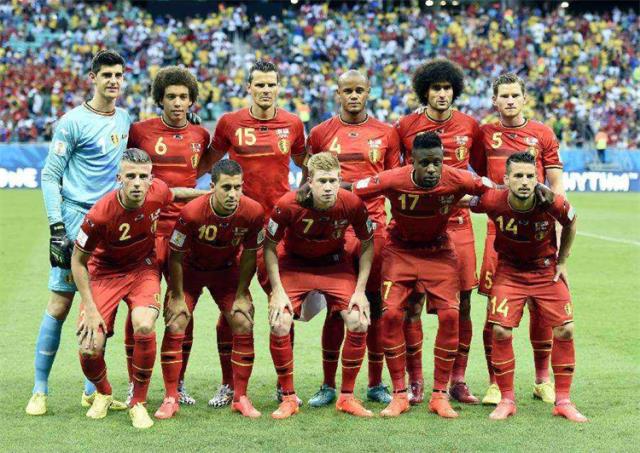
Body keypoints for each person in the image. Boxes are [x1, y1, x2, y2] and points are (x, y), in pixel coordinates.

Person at [351, 132, 493, 418]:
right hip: (400, 251)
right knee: (392, 315)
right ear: (412, 162)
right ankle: (400, 394)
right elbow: (352, 190)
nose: (431, 169)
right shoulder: (393, 178)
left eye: (437, 162)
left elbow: (493, 190)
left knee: (451, 316)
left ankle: (440, 395)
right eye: (425, 163)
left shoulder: (457, 178)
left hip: (439, 252)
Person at [26, 50, 132, 416]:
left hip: (109, 224)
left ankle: (94, 391)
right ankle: (40, 390)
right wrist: (57, 228)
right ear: (93, 78)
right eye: (107, 75)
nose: (113, 81)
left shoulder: (124, 118)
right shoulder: (71, 122)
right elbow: (50, 175)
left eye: (118, 75)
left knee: (100, 307)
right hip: (75, 220)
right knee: (60, 304)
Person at [72, 148, 204, 429]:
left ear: (151, 179)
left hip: (142, 269)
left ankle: (138, 402)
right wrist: (91, 310)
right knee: (89, 347)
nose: (136, 183)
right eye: (130, 176)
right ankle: (104, 393)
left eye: (143, 177)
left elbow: (176, 194)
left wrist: (208, 194)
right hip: (104, 273)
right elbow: (78, 261)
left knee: (144, 324)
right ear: (119, 178)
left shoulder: (157, 192)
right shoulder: (99, 214)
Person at [210, 59, 306, 407]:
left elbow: (306, 164)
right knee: (230, 309)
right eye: (260, 84)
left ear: (279, 87)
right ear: (248, 87)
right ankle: (228, 384)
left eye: (271, 84)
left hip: (275, 232)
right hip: (235, 231)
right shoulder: (229, 122)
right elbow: (209, 164)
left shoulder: (293, 124)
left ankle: (284, 385)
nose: (266, 90)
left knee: (282, 308)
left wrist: (301, 200)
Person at [304, 69, 401, 407]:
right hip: (334, 231)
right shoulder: (320, 133)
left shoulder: (387, 133)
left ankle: (375, 383)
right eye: (348, 91)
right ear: (338, 93)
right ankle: (328, 385)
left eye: (360, 90)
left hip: (374, 229)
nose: (354, 96)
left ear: (369, 91)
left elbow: (393, 181)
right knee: (336, 308)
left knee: (374, 304)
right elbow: (308, 184)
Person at [468, 151, 587, 423]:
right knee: (500, 330)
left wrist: (562, 261)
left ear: (538, 179)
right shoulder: (492, 200)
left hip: (545, 270)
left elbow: (572, 222)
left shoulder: (551, 202)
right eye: (518, 176)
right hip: (509, 271)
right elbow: (463, 199)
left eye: (530, 176)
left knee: (566, 328)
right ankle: (507, 399)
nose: (524, 181)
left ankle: (563, 401)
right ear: (506, 179)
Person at [470, 72, 566, 405]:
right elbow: (481, 177)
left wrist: (556, 227)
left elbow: (556, 185)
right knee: (494, 309)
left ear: (525, 99)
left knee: (541, 306)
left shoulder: (542, 133)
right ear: (494, 100)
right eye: (504, 96)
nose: (510, 101)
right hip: (499, 230)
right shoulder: (484, 135)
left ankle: (542, 380)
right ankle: (495, 383)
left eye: (515, 95)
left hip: (538, 230)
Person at [125, 65, 214, 406]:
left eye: (183, 97)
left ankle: (178, 383)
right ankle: (134, 383)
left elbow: (200, 167)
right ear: (159, 99)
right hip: (146, 233)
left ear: (192, 101)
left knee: (182, 308)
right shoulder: (139, 131)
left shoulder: (201, 135)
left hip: (186, 234)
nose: (177, 103)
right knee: (139, 309)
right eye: (171, 96)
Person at [395, 58, 481, 405]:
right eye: (436, 88)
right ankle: (415, 380)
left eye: (447, 88)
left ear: (454, 91)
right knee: (412, 302)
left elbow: (480, 176)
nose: (442, 94)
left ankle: (457, 379)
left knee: (463, 304)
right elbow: (396, 173)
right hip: (418, 227)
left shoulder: (470, 126)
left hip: (458, 226)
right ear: (425, 92)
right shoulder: (405, 126)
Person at [265, 152, 375, 419]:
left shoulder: (352, 203)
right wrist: (276, 291)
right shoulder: (288, 204)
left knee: (359, 320)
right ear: (310, 181)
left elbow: (368, 243)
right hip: (294, 264)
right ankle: (288, 398)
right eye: (322, 181)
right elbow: (268, 246)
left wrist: (360, 291)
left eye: (333, 181)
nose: (328, 187)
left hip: (334, 265)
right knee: (280, 322)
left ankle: (346, 397)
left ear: (340, 180)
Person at [156, 159, 264, 419]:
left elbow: (250, 254)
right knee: (176, 320)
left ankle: (239, 397)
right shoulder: (191, 212)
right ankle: (171, 396)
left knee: (242, 320)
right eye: (226, 187)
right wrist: (177, 295)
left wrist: (242, 294)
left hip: (226, 272)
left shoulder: (253, 212)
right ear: (212, 186)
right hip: (190, 271)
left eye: (237, 187)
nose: (233, 194)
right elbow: (175, 256)